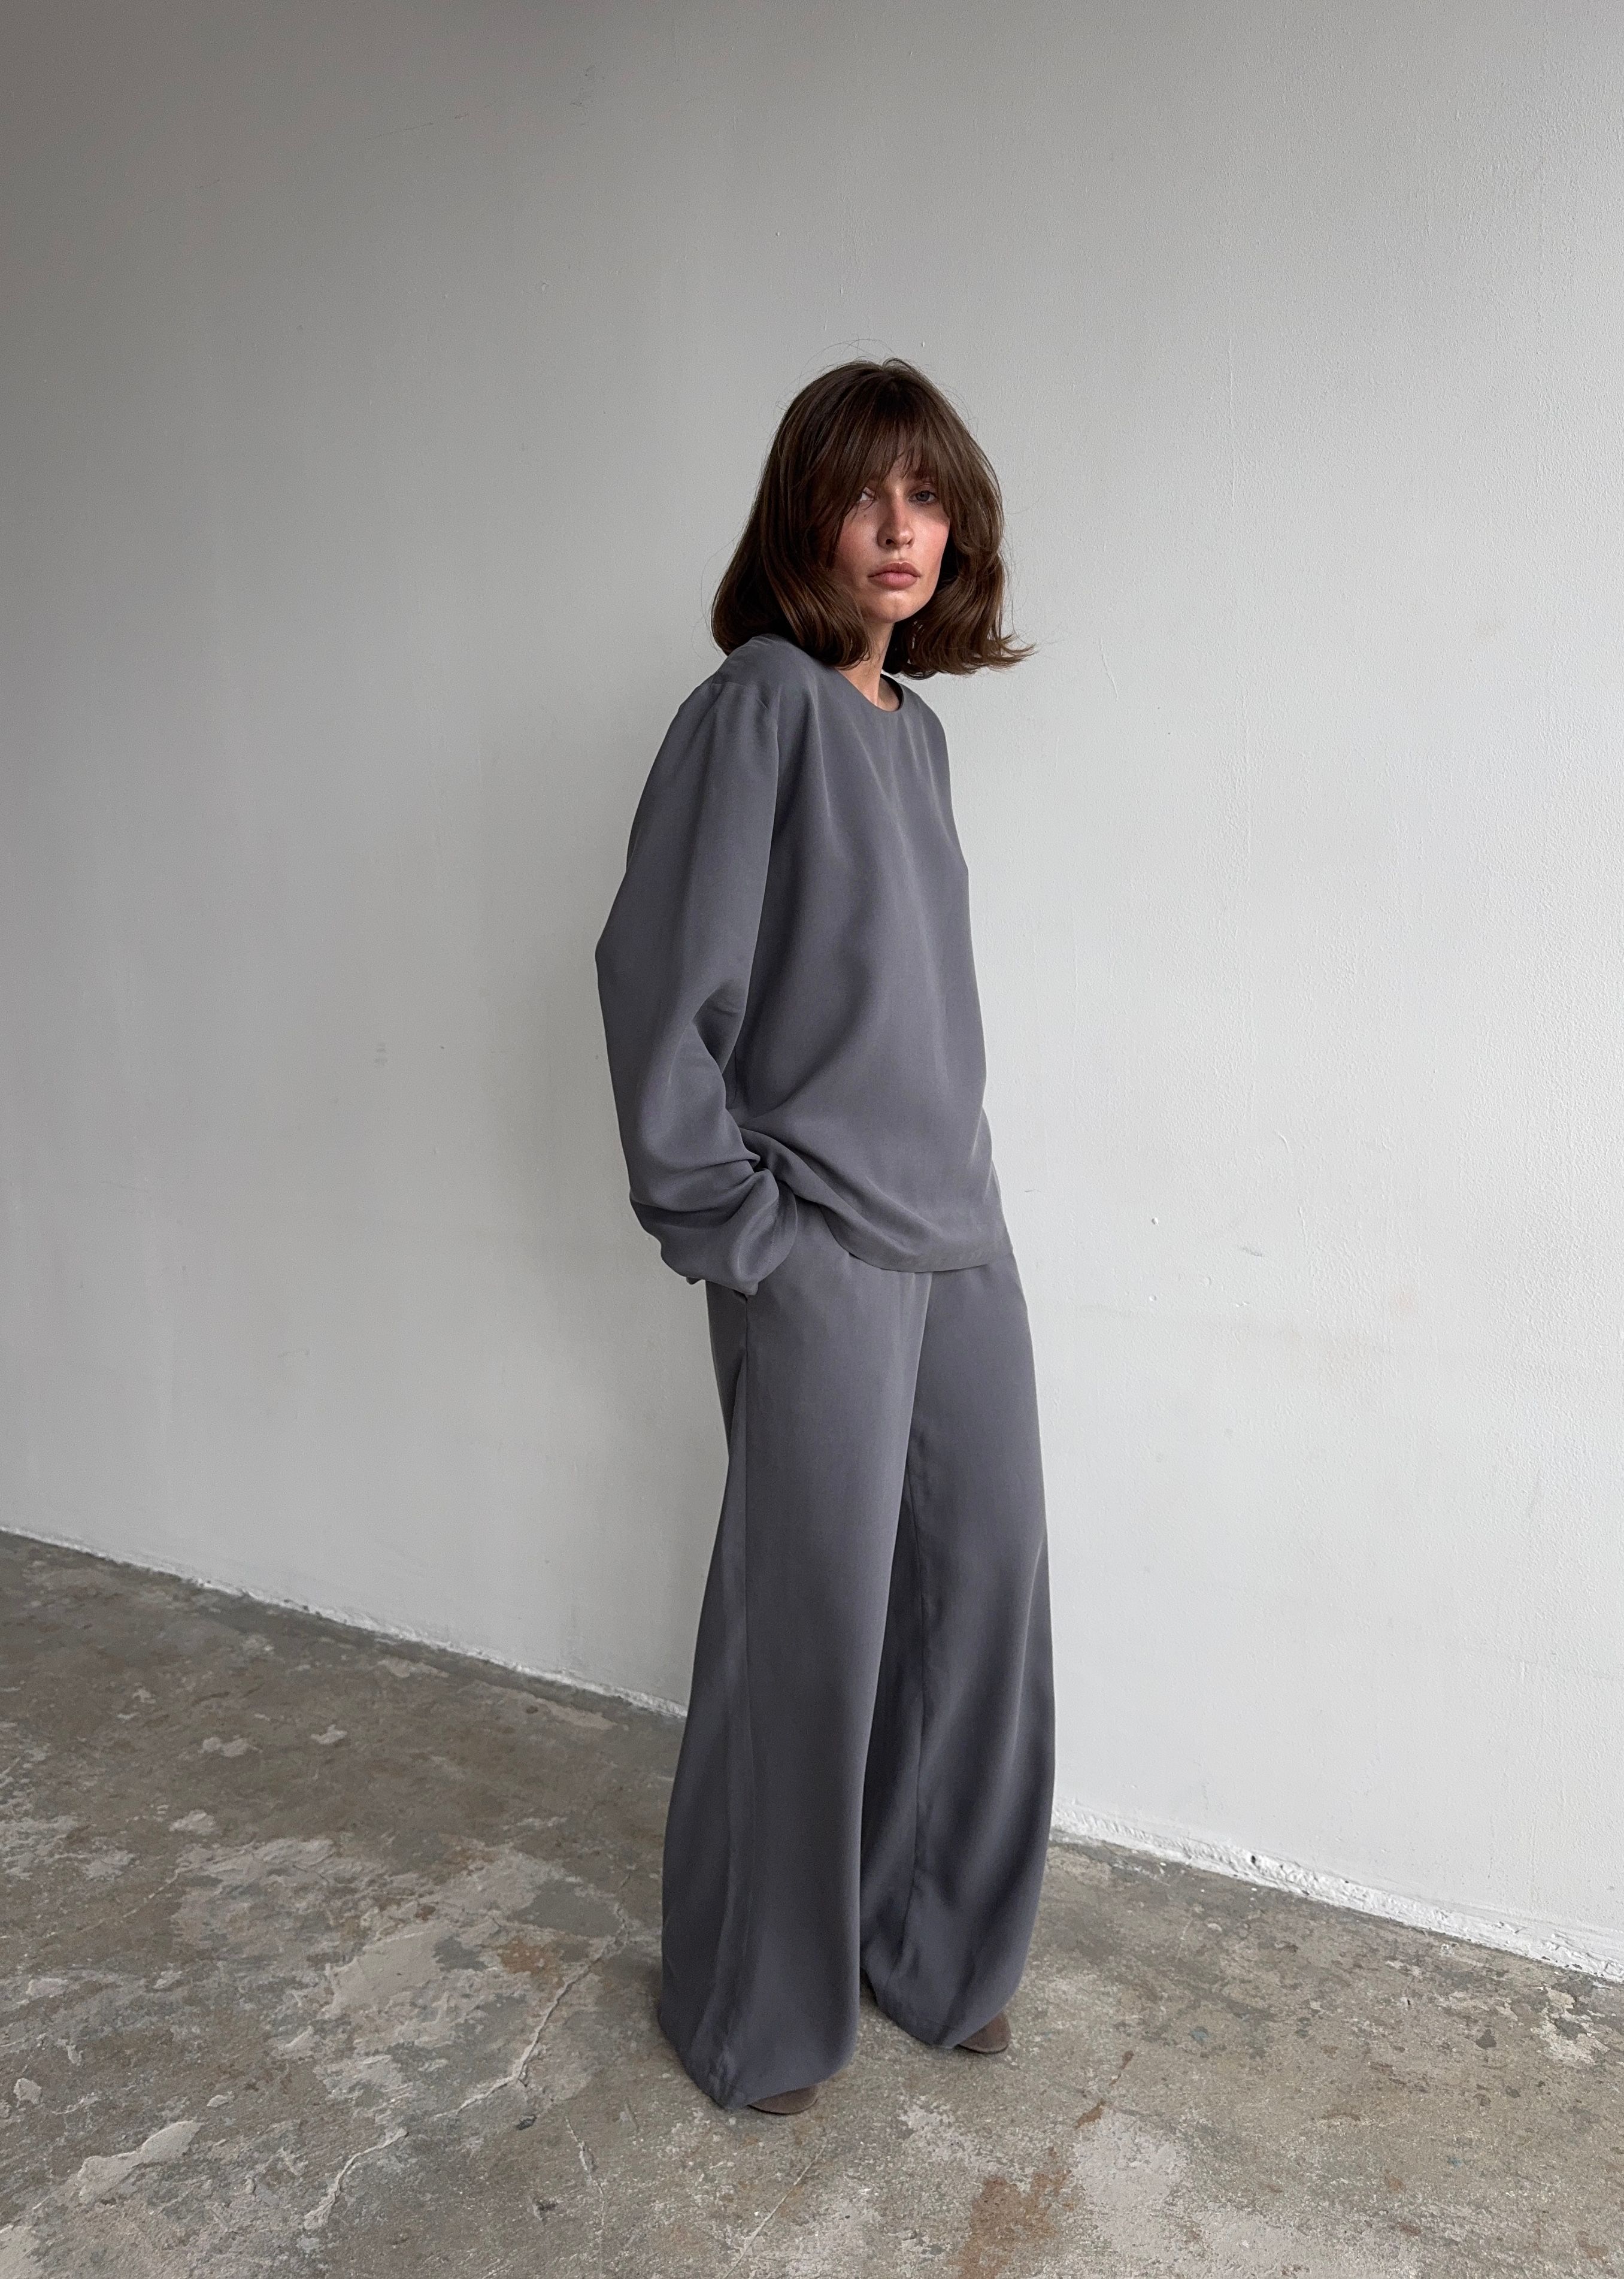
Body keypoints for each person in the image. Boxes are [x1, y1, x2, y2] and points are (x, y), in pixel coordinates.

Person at [593, 358, 1053, 2116]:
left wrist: (971, 1205)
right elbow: (660, 982)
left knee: (978, 1596)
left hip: (960, 1237)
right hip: (822, 1248)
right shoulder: (756, 707)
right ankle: (750, 2008)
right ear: (806, 513)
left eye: (925, 496)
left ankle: (930, 1946)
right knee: (811, 1627)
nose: (898, 527)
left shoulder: (913, 732)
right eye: (865, 492)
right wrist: (738, 1227)